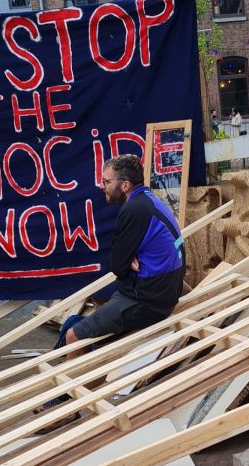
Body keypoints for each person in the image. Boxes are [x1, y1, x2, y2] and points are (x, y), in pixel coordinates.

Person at [35, 154, 185, 430]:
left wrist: (126, 259)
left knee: (73, 334)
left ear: (124, 185)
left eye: (106, 181)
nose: (102, 186)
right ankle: (66, 397)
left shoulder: (134, 211)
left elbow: (116, 265)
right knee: (84, 332)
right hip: (155, 292)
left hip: (146, 299)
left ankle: (63, 407)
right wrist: (129, 258)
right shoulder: (148, 200)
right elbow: (124, 261)